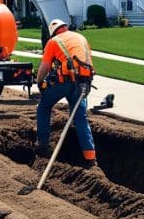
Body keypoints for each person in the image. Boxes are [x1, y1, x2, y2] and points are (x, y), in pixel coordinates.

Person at [35, 19, 97, 168]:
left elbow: (45, 66)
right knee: (80, 118)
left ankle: (43, 146)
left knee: (43, 108)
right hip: (83, 83)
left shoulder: (54, 41)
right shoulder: (81, 38)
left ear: (53, 32)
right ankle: (90, 158)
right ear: (65, 28)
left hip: (64, 83)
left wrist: (39, 82)